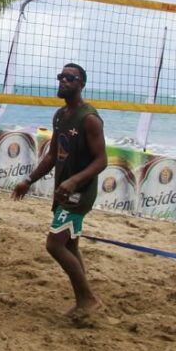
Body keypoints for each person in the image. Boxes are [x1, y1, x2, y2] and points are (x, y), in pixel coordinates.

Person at [11, 63, 107, 317]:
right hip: (63, 190)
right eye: (61, 77)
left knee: (54, 245)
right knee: (71, 246)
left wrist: (74, 181)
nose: (64, 81)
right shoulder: (60, 115)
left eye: (70, 78)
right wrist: (28, 180)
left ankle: (88, 299)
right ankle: (84, 301)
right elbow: (53, 154)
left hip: (79, 192)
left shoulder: (89, 119)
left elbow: (102, 161)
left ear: (81, 84)